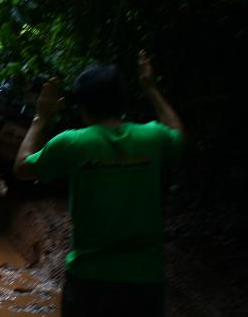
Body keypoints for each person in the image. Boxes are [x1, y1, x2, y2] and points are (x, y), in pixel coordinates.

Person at [13, 51, 185, 317]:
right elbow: (179, 136)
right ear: (123, 100)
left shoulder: (71, 143)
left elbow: (22, 168)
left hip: (88, 279)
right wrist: (151, 89)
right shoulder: (152, 137)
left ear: (81, 106)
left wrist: (41, 118)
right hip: (144, 280)